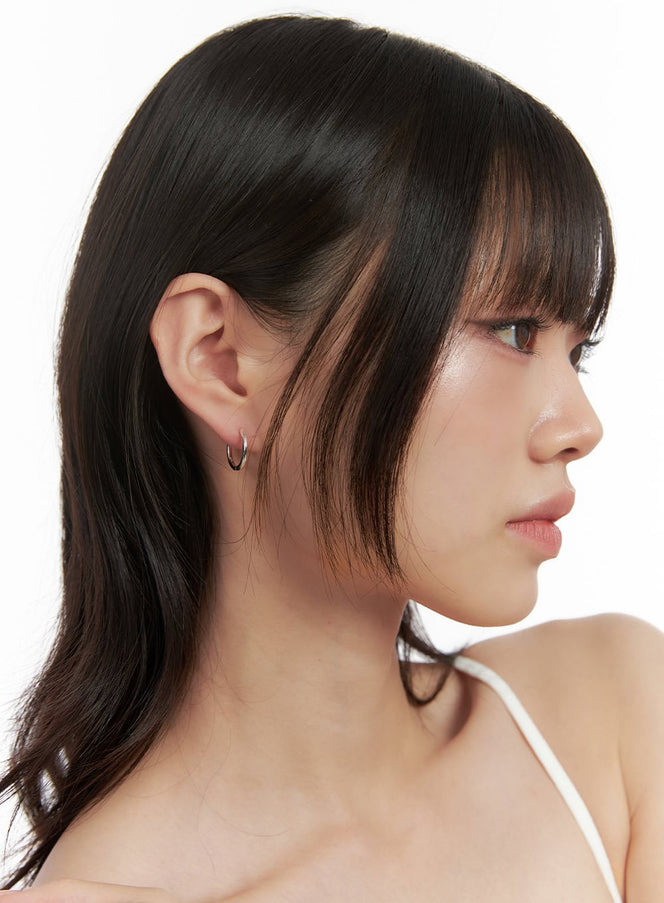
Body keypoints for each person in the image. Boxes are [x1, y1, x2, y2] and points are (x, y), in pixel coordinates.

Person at [1, 13, 662, 902]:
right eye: (512, 329)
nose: (579, 424)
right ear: (219, 360)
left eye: (575, 351)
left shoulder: (617, 723)